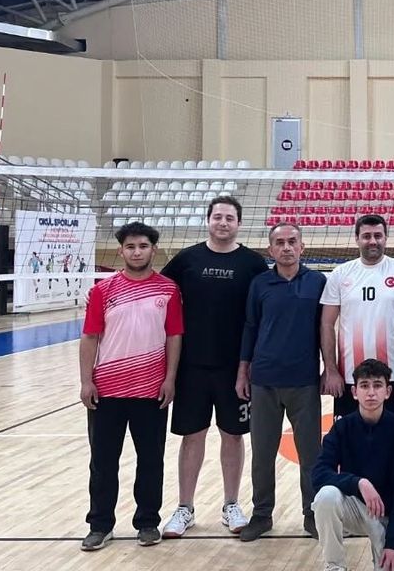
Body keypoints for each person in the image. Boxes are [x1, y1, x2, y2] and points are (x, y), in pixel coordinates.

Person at [161, 195, 269, 538]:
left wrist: (250, 365)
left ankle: (231, 504)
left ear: (239, 223)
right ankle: (185, 507)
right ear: (208, 220)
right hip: (191, 367)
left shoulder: (252, 263)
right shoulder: (187, 259)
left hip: (234, 369)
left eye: (229, 218)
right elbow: (156, 290)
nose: (223, 223)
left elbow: (265, 308)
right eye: (218, 217)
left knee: (233, 435)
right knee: (192, 436)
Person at [79, 222, 182, 551]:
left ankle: (148, 522)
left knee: (151, 460)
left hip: (151, 390)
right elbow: (90, 337)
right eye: (131, 247)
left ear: (153, 250)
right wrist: (86, 381)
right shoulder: (102, 291)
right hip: (107, 390)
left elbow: (174, 336)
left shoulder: (168, 290)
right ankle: (100, 525)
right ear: (121, 251)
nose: (137, 252)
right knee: (102, 462)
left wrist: (170, 378)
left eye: (143, 246)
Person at [236, 222, 327, 541]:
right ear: (270, 249)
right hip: (263, 381)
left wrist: (329, 368)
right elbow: (250, 327)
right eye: (280, 243)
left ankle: (312, 514)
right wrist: (242, 371)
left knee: (311, 455)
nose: (286, 247)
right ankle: (262, 514)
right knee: (262, 454)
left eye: (292, 242)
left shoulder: (317, 282)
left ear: (302, 247)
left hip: (304, 381)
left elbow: (326, 330)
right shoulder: (260, 283)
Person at [312, 359, 394, 571]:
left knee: (392, 566)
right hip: (356, 508)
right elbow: (319, 474)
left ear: (388, 391)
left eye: (377, 385)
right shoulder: (342, 428)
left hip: (388, 515)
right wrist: (359, 483)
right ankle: (334, 565)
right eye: (364, 386)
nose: (371, 393)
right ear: (354, 392)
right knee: (326, 496)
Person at [322, 214, 394, 424]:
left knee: (393, 438)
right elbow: (327, 324)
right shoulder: (340, 273)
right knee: (350, 438)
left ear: (386, 238)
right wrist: (331, 370)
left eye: (378, 235)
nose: (373, 241)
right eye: (366, 236)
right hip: (350, 375)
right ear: (357, 239)